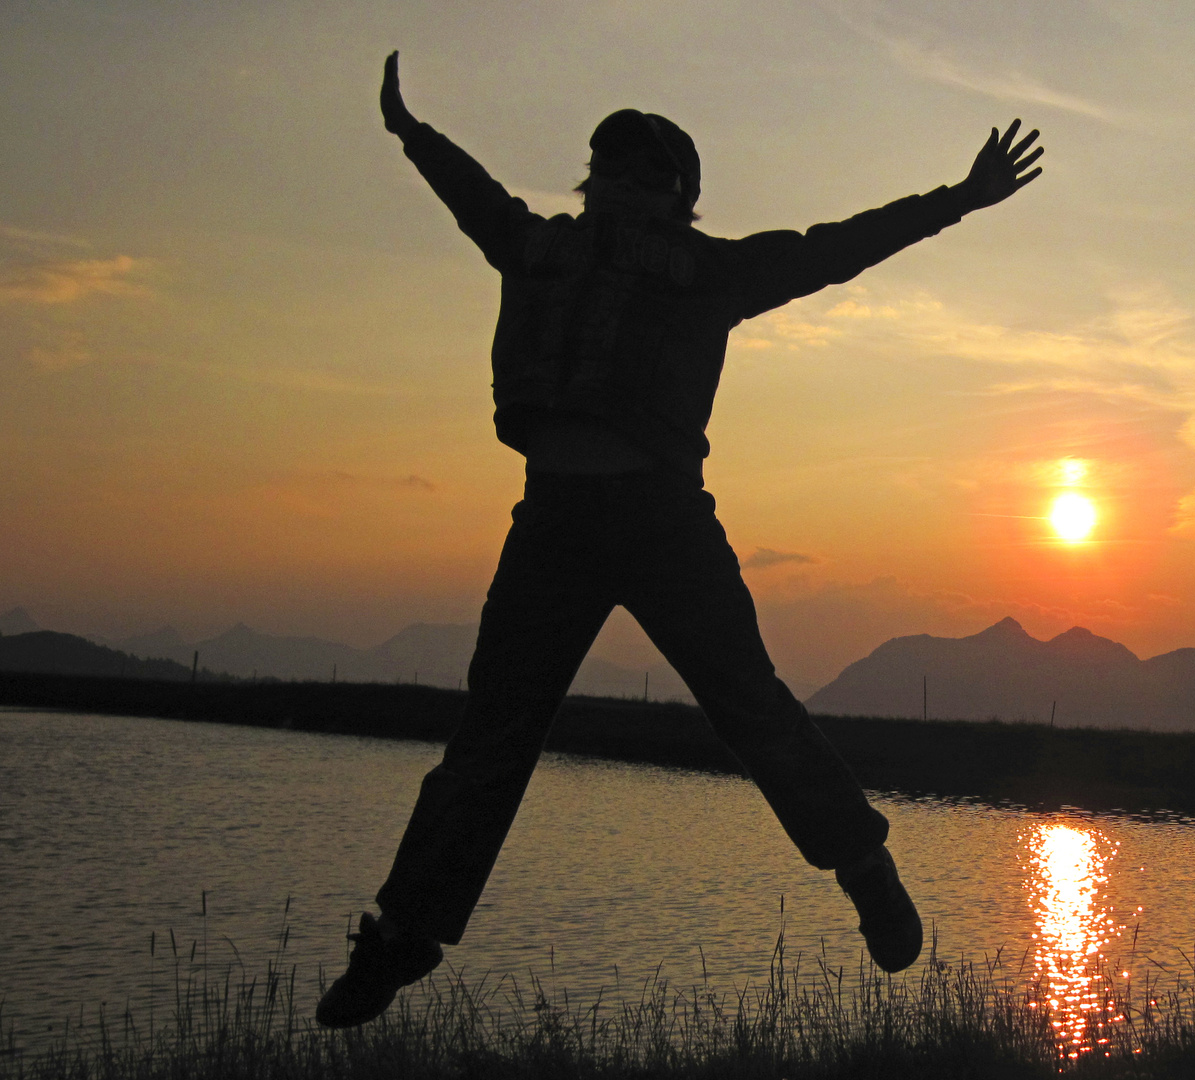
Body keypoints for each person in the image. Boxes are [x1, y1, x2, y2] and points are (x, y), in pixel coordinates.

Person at [315, 52, 1044, 1029]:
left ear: (673, 198)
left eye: (635, 175)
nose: (614, 188)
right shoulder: (538, 247)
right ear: (592, 183)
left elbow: (836, 247)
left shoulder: (710, 274)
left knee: (749, 706)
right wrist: (411, 132)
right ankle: (401, 937)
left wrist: (958, 198)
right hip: (552, 523)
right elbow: (471, 193)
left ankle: (859, 860)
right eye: (604, 171)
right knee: (488, 742)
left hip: (661, 517)